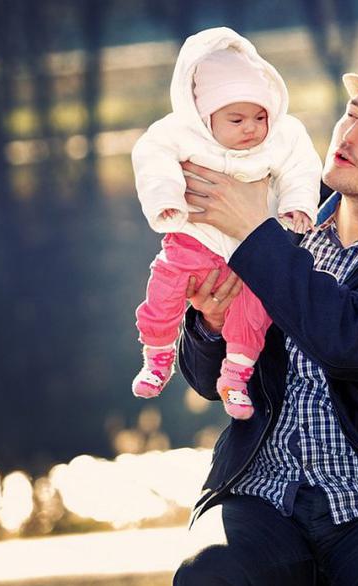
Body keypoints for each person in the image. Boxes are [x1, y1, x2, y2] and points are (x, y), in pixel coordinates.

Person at [173, 49, 358, 585]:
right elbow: (205, 380)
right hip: (262, 492)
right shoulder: (286, 218)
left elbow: (351, 342)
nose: (349, 135)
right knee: (208, 573)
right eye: (352, 114)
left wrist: (255, 237)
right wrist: (211, 325)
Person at [130, 27, 321, 420]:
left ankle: (236, 376)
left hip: (251, 255)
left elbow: (300, 166)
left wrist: (297, 204)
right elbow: (153, 159)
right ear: (206, 117)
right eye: (236, 119)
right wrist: (166, 200)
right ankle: (157, 356)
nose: (251, 128)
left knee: (255, 311)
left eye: (260, 117)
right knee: (164, 287)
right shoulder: (179, 135)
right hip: (193, 241)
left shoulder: (281, 137)